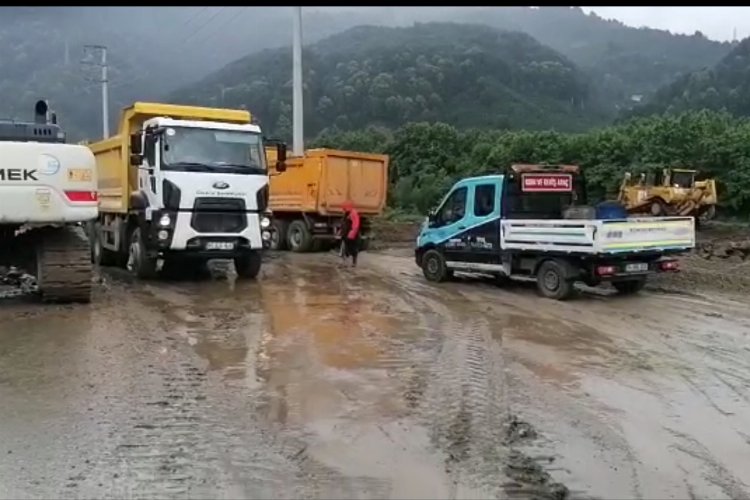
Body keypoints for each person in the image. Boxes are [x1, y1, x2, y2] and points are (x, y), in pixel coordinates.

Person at [340, 200, 361, 267]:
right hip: (346, 234)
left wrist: (352, 233)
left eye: (344, 208)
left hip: (352, 235)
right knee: (345, 249)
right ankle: (344, 263)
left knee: (353, 249)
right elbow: (344, 223)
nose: (343, 209)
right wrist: (340, 231)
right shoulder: (346, 213)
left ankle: (353, 263)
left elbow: (356, 224)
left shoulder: (353, 213)